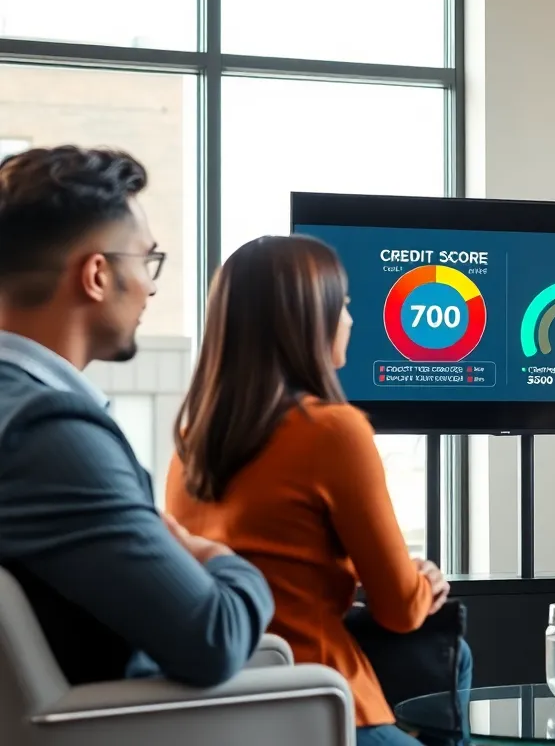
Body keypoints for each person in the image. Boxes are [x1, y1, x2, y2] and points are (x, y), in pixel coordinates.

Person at [164, 235, 471, 746]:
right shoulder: (333, 431)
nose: (351, 319)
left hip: (225, 700)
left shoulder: (189, 446)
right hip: (321, 700)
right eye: (344, 305)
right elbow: (399, 609)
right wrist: (424, 583)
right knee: (451, 651)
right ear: (309, 320)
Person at [0, 145, 273, 687]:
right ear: (97, 275)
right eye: (146, 261)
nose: (150, 285)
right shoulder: (48, 431)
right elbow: (212, 638)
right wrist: (217, 556)